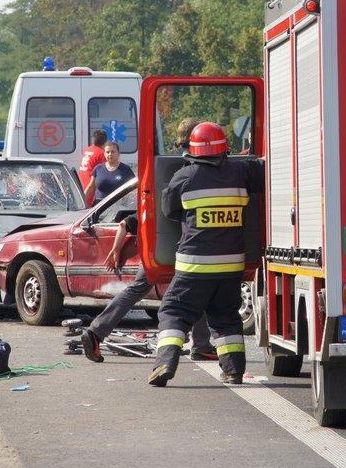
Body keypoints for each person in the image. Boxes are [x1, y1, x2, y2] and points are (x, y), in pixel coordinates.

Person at [147, 122, 264, 387]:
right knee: (225, 317)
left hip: (194, 266)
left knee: (174, 311)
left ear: (193, 150)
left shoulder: (184, 177)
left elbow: (169, 210)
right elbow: (265, 171)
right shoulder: (241, 172)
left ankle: (165, 362)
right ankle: (233, 372)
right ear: (225, 148)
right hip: (231, 265)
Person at [80, 212, 217, 363]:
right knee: (197, 288)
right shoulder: (182, 205)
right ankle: (201, 346)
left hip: (154, 255)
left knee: (135, 290)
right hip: (181, 252)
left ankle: (96, 332)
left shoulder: (151, 205)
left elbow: (123, 224)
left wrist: (116, 249)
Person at [83, 141, 134, 206]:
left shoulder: (126, 169)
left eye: (113, 152)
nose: (110, 154)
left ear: (118, 154)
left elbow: (133, 190)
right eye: (107, 152)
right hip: (100, 207)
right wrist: (81, 202)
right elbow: (90, 188)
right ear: (104, 154)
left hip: (119, 207)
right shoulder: (98, 168)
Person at [77, 130, 107, 205]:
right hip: (90, 185)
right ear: (105, 141)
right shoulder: (101, 153)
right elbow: (105, 172)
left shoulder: (87, 150)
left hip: (82, 182)